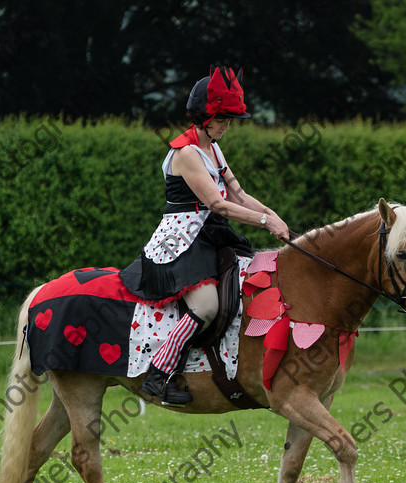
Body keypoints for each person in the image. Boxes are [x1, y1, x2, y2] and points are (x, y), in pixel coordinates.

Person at [120, 66, 289, 406]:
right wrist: (263, 221)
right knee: (207, 305)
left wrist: (272, 215)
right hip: (181, 241)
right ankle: (158, 374)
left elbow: (237, 194)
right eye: (223, 119)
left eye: (229, 120)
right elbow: (218, 204)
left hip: (209, 234)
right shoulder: (186, 153)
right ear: (205, 116)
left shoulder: (213, 147)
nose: (227, 126)